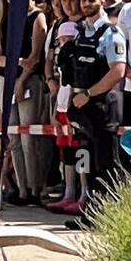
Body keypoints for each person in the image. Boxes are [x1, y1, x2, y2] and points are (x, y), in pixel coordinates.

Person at [69, 0, 127, 199]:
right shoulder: (81, 31)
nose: (86, 4)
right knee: (88, 161)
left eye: (91, 0)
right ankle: (90, 212)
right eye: (83, 0)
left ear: (102, 0)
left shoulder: (111, 32)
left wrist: (89, 94)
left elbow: (117, 71)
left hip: (103, 106)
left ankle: (109, 214)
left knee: (106, 162)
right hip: (83, 106)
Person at [10, 0, 52, 206]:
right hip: (9, 80)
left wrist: (21, 78)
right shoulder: (8, 17)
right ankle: (21, 189)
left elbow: (34, 57)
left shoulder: (38, 17)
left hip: (29, 80)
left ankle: (35, 189)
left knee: (29, 137)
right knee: (14, 138)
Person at [45, 22, 87, 214]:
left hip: (75, 110)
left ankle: (84, 194)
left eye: (70, 38)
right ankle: (68, 193)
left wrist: (70, 115)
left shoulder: (79, 59)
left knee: (81, 151)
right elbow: (62, 87)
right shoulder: (62, 59)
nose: (66, 42)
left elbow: (74, 88)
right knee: (66, 153)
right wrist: (56, 112)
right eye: (63, 39)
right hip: (62, 109)